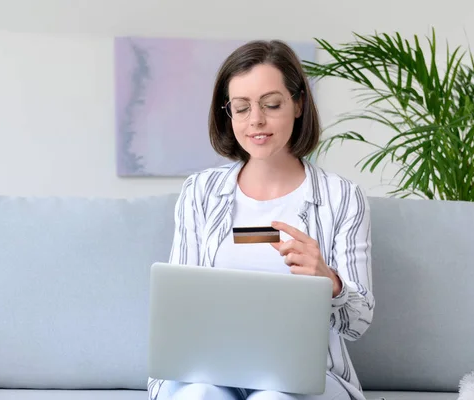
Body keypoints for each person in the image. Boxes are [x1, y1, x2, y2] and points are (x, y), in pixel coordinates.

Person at [148, 39, 374, 400]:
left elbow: (358, 324)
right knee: (199, 394)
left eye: (271, 104)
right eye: (241, 108)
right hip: (206, 373)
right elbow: (179, 306)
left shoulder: (342, 197)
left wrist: (329, 280)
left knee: (272, 398)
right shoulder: (200, 192)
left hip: (306, 379)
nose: (256, 120)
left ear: (298, 104)